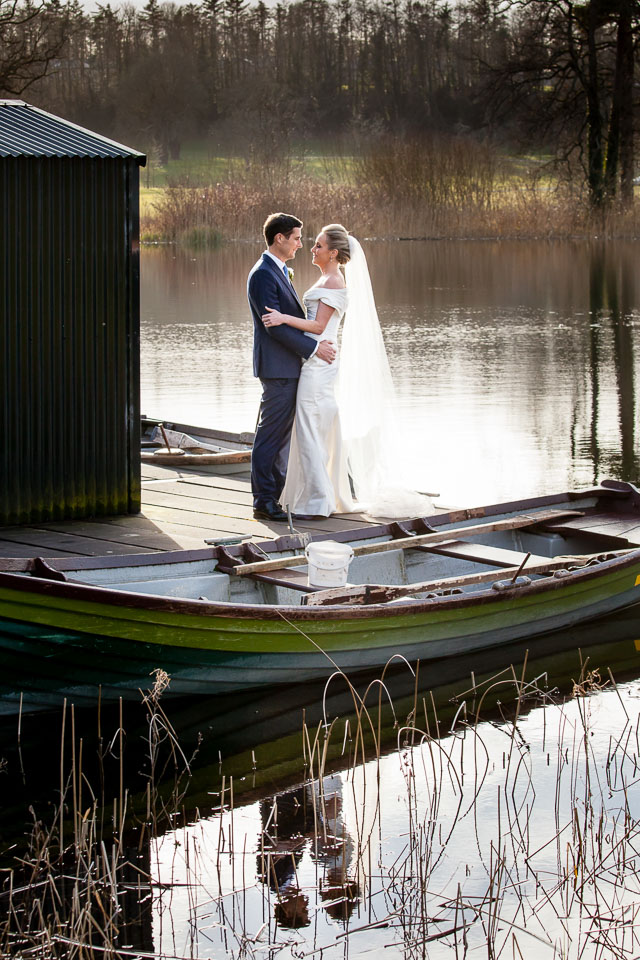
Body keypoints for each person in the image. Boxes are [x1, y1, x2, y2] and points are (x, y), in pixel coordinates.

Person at [262, 223, 433, 520]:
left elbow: (317, 327)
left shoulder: (333, 282)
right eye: (312, 244)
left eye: (318, 246)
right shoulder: (328, 278)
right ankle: (321, 494)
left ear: (333, 253)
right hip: (318, 360)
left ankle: (317, 501)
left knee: (309, 429)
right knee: (317, 427)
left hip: (318, 365)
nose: (312, 250)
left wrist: (281, 317)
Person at [248, 213, 336, 522]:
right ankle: (263, 500)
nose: (301, 244)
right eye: (297, 238)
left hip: (288, 366)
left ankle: (276, 494)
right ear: (279, 238)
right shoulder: (262, 275)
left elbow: (286, 321)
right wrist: (314, 348)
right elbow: (274, 328)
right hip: (277, 368)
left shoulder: (279, 272)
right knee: (270, 435)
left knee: (281, 435)